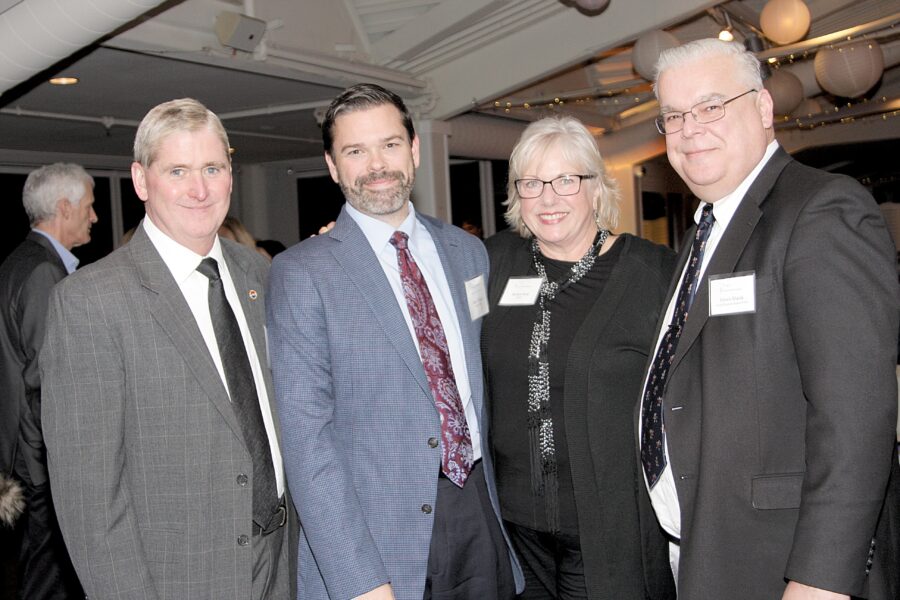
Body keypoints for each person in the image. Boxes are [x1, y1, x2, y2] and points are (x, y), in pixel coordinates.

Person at [639, 38, 900, 600]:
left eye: (711, 106)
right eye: (674, 116)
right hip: (710, 546)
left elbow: (856, 419)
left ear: (762, 107)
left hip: (785, 562)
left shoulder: (821, 209)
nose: (690, 129)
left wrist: (820, 581)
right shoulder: (703, 232)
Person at [267, 83, 522, 599]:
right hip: (375, 533)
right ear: (333, 166)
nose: (376, 164)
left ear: (414, 149)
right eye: (355, 151)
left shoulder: (467, 252)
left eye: (388, 144)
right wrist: (358, 578)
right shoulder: (302, 272)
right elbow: (307, 442)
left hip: (477, 510)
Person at [41, 98, 293, 600]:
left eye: (212, 168)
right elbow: (91, 503)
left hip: (284, 563)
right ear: (140, 180)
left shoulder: (260, 276)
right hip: (175, 576)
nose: (199, 189)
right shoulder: (90, 302)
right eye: (177, 170)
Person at [482, 116, 676, 599]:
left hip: (611, 528)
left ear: (596, 188)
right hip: (514, 530)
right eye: (532, 183)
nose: (548, 198)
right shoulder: (490, 264)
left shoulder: (654, 274)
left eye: (567, 180)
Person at [0, 162, 95, 599]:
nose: (95, 216)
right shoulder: (43, 272)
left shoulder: (16, 262)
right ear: (65, 208)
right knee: (47, 579)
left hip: (21, 454)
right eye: (90, 207)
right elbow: (47, 379)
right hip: (38, 460)